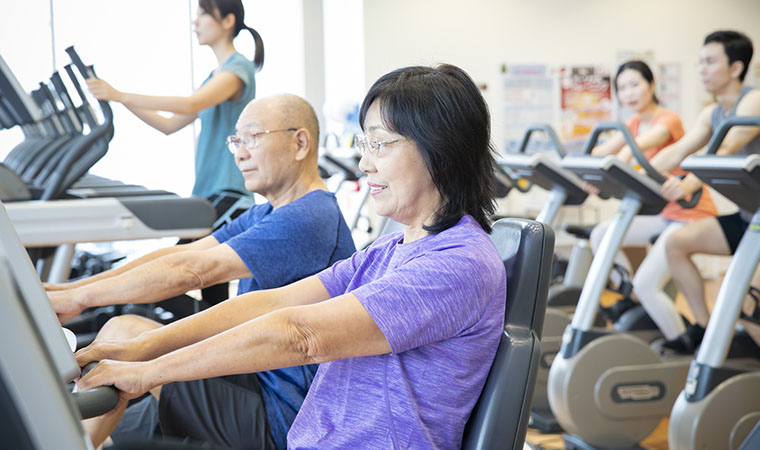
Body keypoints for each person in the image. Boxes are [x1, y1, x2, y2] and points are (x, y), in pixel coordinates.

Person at [74, 64, 506, 449]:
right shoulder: (389, 250)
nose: (364, 164)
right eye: (365, 144)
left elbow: (301, 336)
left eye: (380, 145)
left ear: (440, 150)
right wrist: (140, 349)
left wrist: (150, 371)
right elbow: (276, 302)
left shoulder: (457, 263)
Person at [48, 94, 357, 449]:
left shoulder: (309, 217)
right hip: (245, 376)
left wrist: (77, 297)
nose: (240, 153)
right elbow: (181, 255)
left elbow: (193, 272)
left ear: (300, 143)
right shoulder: (267, 212)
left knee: (123, 331)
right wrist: (65, 291)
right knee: (117, 420)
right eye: (236, 141)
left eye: (252, 138)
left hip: (281, 414)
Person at [587, 60, 718, 347]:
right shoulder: (632, 124)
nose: (629, 93)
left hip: (689, 211)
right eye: (622, 88)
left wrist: (616, 162)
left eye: (635, 84)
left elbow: (642, 146)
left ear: (652, 85)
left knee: (648, 286)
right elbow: (603, 150)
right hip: (665, 213)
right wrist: (587, 167)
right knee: (601, 234)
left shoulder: (667, 119)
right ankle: (626, 291)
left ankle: (682, 345)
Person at [648, 30, 760, 353]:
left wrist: (687, 185)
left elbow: (726, 148)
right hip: (749, 219)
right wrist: (638, 173)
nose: (702, 69)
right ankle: (703, 328)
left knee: (745, 301)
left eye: (710, 62)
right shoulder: (711, 113)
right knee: (676, 243)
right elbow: (677, 151)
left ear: (736, 68)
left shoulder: (752, 100)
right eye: (700, 62)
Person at [87, 0, 263, 205]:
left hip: (229, 194)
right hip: (207, 193)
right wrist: (119, 99)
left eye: (203, 14)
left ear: (228, 21)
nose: (195, 22)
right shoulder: (213, 78)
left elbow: (190, 104)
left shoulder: (238, 68)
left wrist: (120, 95)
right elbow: (168, 125)